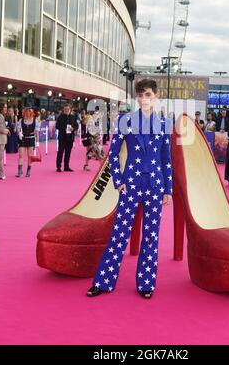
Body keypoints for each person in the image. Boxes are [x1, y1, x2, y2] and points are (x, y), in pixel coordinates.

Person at [86, 78, 173, 299]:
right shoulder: (126, 121)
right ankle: (104, 281)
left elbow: (166, 160)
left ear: (156, 96)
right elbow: (113, 154)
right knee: (119, 234)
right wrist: (118, 180)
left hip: (155, 185)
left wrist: (168, 190)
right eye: (141, 95)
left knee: (151, 236)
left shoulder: (164, 125)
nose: (145, 99)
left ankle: (146, 283)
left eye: (149, 94)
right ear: (137, 97)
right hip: (131, 185)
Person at [16, 107, 38, 177]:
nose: (28, 113)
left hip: (31, 138)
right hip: (22, 138)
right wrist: (19, 133)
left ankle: (28, 171)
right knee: (21, 155)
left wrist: (37, 142)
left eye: (30, 112)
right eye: (27, 112)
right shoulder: (21, 120)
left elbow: (37, 132)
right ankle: (19, 171)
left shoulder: (35, 121)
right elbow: (18, 129)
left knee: (29, 156)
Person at [56, 104, 78, 172]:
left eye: (68, 109)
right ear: (63, 110)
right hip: (62, 137)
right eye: (65, 109)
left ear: (70, 110)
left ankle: (66, 166)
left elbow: (76, 126)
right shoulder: (60, 117)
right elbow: (57, 126)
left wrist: (73, 128)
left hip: (70, 138)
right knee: (60, 152)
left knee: (68, 153)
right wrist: (64, 128)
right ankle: (58, 167)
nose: (66, 110)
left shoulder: (73, 117)